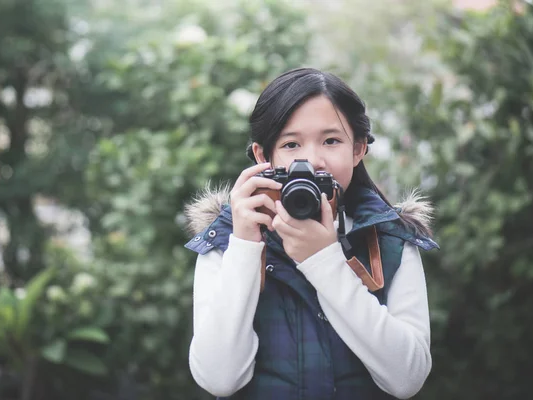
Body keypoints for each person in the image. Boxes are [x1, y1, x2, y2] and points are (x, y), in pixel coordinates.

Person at [184, 68, 439, 400]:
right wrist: (245, 245)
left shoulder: (391, 241)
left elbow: (407, 378)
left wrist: (324, 260)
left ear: (358, 149)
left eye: (331, 141)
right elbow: (219, 379)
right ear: (263, 156)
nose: (312, 161)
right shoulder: (226, 241)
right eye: (291, 144)